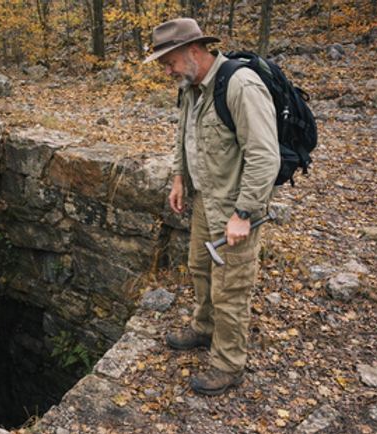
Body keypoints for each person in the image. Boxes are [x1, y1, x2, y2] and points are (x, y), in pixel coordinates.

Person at [143, 18, 280, 395]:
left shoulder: (240, 86)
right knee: (200, 267)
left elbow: (265, 156)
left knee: (231, 288)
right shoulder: (192, 86)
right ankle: (204, 328)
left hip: (235, 209)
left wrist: (244, 213)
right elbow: (183, 134)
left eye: (168, 62)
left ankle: (228, 362)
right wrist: (178, 178)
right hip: (205, 198)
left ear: (194, 51)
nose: (166, 71)